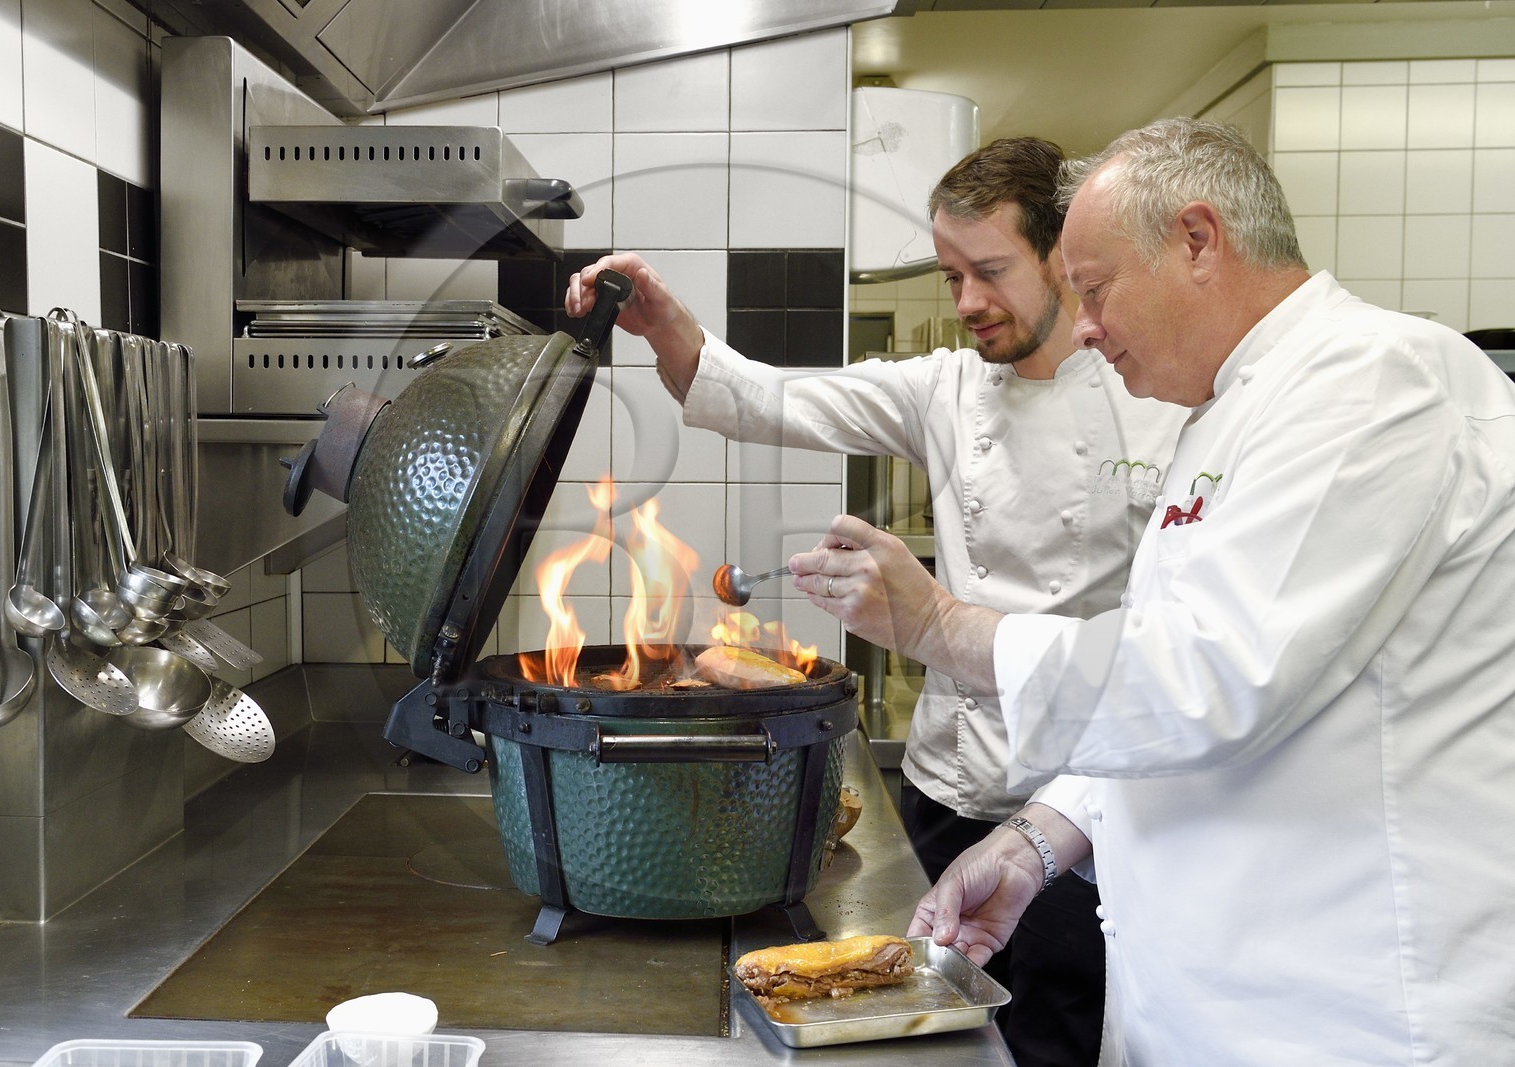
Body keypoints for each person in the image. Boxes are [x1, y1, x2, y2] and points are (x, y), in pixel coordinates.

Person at [790, 117, 1515, 1064]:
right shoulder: (1222, 415)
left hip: (1345, 1013)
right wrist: (1038, 843)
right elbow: (1154, 668)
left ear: (1199, 240)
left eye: (1094, 288)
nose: (1084, 327)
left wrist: (939, 625)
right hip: (1199, 1004)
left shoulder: (1377, 383)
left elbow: (1210, 679)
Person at [566, 137, 1187, 1067]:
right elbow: (774, 399)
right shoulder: (946, 388)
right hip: (944, 789)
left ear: (1064, 254)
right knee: (924, 1043)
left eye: (990, 271)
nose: (968, 301)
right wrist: (664, 325)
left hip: (1079, 811)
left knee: (1051, 1040)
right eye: (951, 275)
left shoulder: (1157, 402)